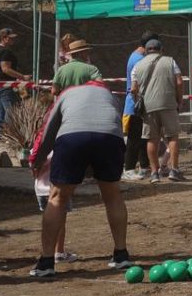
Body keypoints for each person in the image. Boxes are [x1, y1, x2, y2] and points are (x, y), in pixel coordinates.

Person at [26, 65, 132, 278]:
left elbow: (48, 130)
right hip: (110, 138)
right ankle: (121, 255)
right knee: (112, 194)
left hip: (72, 137)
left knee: (57, 198)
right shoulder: (110, 95)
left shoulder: (67, 94)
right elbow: (114, 124)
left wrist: (36, 160)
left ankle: (47, 262)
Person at [129, 38, 185, 181]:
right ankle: (174, 169)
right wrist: (179, 99)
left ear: (146, 50)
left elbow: (134, 89)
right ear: (161, 49)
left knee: (151, 139)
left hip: (148, 106)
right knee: (172, 136)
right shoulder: (170, 61)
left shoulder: (137, 65)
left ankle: (154, 173)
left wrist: (139, 102)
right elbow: (179, 81)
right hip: (168, 103)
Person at [123, 35, 155, 179]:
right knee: (134, 138)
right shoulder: (139, 60)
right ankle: (129, 168)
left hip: (139, 104)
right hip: (135, 105)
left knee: (143, 137)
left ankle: (143, 166)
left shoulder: (135, 56)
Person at [0, 26, 28, 143]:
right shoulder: (5, 52)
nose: (13, 40)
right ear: (3, 38)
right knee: (10, 112)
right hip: (5, 85)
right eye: (10, 38)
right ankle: (8, 136)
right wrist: (23, 77)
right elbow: (6, 69)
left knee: (0, 111)